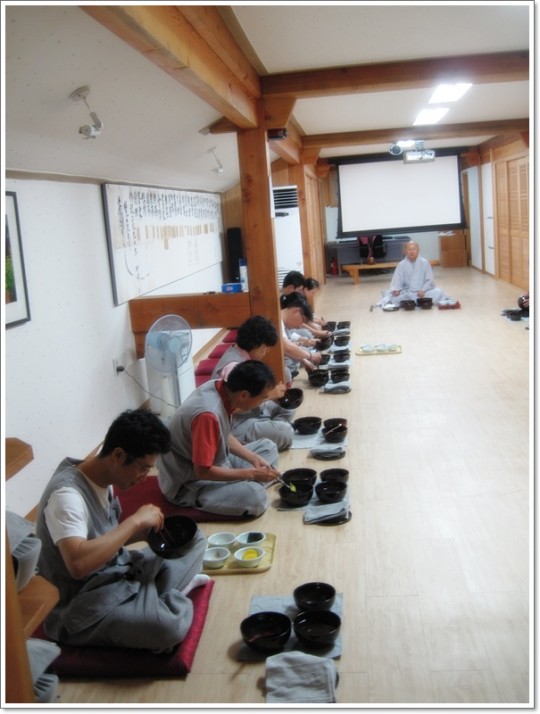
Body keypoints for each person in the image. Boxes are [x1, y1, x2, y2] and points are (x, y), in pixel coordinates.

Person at [35, 409, 208, 653]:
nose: (144, 477)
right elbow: (78, 564)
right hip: (83, 604)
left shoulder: (103, 477)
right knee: (166, 628)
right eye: (143, 468)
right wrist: (134, 522)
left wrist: (142, 533)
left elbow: (106, 539)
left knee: (195, 540)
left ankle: (150, 599)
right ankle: (159, 599)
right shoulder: (66, 497)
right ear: (118, 455)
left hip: (118, 571)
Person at [157, 360, 280, 518]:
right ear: (244, 395)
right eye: (261, 398)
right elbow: (202, 471)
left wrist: (253, 458)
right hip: (189, 482)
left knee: (268, 448)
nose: (261, 403)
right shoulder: (207, 415)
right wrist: (252, 474)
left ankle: (239, 486)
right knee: (256, 498)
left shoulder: (219, 387)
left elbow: (223, 433)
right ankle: (241, 487)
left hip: (218, 462)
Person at [211, 315, 295, 451]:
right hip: (236, 424)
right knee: (286, 432)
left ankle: (267, 429)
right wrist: (269, 396)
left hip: (250, 411)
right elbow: (232, 409)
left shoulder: (241, 355)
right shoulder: (232, 368)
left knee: (288, 405)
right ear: (257, 344)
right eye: (265, 347)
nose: (267, 351)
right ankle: (266, 432)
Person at [379, 241, 457, 307]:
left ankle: (413, 302)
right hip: (408, 292)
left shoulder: (425, 262)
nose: (412, 252)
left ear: (418, 250)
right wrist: (396, 290)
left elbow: (429, 279)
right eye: (409, 249)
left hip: (424, 291)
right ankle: (419, 301)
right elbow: (397, 280)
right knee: (395, 297)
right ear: (405, 251)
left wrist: (423, 290)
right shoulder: (401, 265)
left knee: (439, 292)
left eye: (414, 249)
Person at [280, 292, 323, 382]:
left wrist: (304, 359)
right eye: (302, 320)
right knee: (286, 373)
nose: (300, 325)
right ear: (296, 311)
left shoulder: (281, 322)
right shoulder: (278, 321)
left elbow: (285, 348)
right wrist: (310, 356)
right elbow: (287, 347)